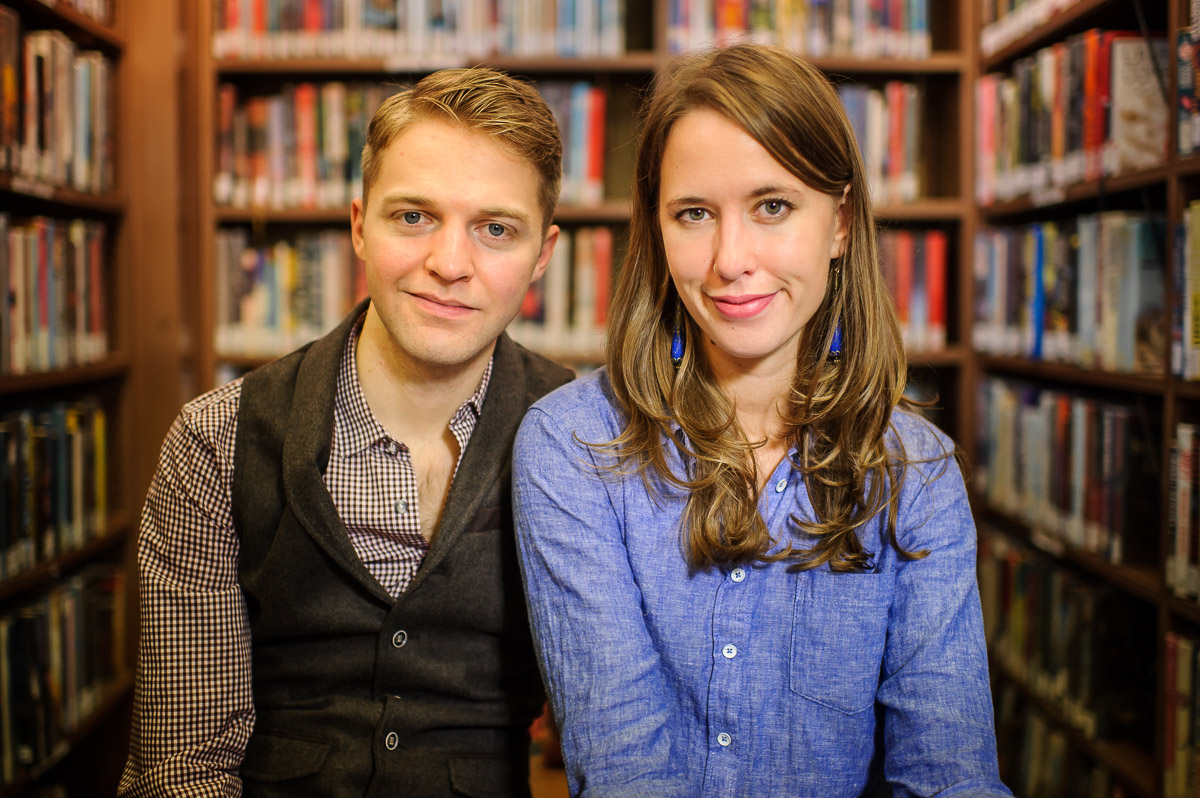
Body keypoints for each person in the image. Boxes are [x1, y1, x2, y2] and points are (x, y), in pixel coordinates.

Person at [512, 44, 1012, 797]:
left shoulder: (920, 473)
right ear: (656, 230)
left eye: (773, 206)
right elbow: (623, 773)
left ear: (840, 224)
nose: (730, 259)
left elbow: (947, 777)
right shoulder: (571, 447)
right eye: (694, 214)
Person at [119, 67, 572, 797]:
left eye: (495, 229)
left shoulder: (584, 440)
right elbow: (184, 762)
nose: (449, 264)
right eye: (413, 217)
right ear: (360, 226)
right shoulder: (216, 439)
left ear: (543, 255)